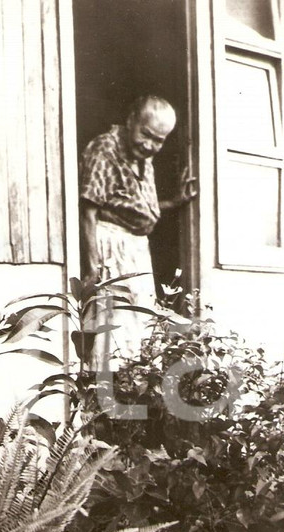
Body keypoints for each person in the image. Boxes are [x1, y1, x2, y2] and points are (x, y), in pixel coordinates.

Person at [78, 95, 197, 366]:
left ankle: (128, 395)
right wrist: (93, 268)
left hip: (134, 249)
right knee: (114, 326)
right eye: (146, 135)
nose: (150, 145)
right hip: (111, 246)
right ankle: (104, 398)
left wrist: (175, 202)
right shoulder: (104, 148)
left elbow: (133, 206)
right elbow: (89, 210)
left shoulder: (142, 158)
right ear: (131, 120)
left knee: (136, 327)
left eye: (159, 140)